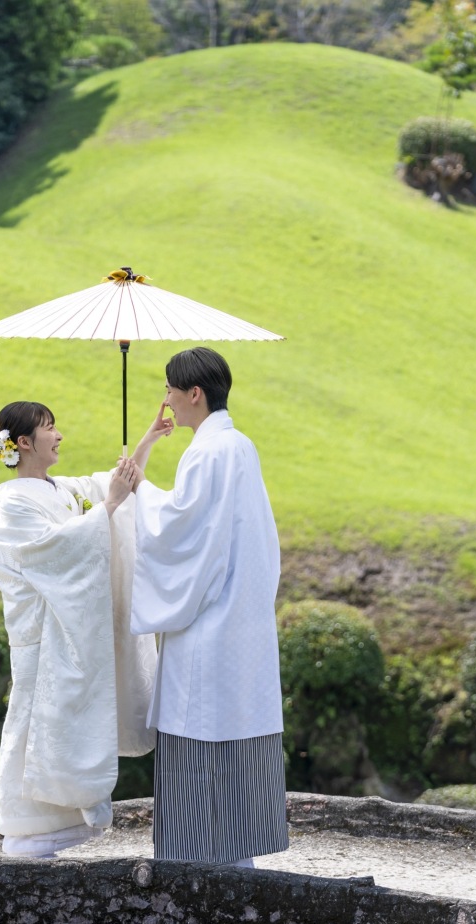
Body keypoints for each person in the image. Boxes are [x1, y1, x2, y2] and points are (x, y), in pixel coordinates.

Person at [0, 401, 156, 859]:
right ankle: (27, 829)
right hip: (42, 635)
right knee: (35, 722)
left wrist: (149, 438)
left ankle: (66, 821)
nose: (58, 436)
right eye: (49, 428)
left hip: (66, 629)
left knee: (66, 723)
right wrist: (109, 505)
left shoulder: (65, 490)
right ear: (23, 443)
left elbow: (114, 484)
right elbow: (57, 548)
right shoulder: (17, 504)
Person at [129, 347, 289, 868]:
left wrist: (140, 489)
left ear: (193, 393)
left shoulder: (206, 453)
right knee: (238, 735)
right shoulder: (239, 445)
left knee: (197, 736)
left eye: (170, 389)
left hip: (208, 626)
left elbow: (178, 531)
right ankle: (240, 865)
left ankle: (196, 873)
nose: (167, 399)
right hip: (243, 618)